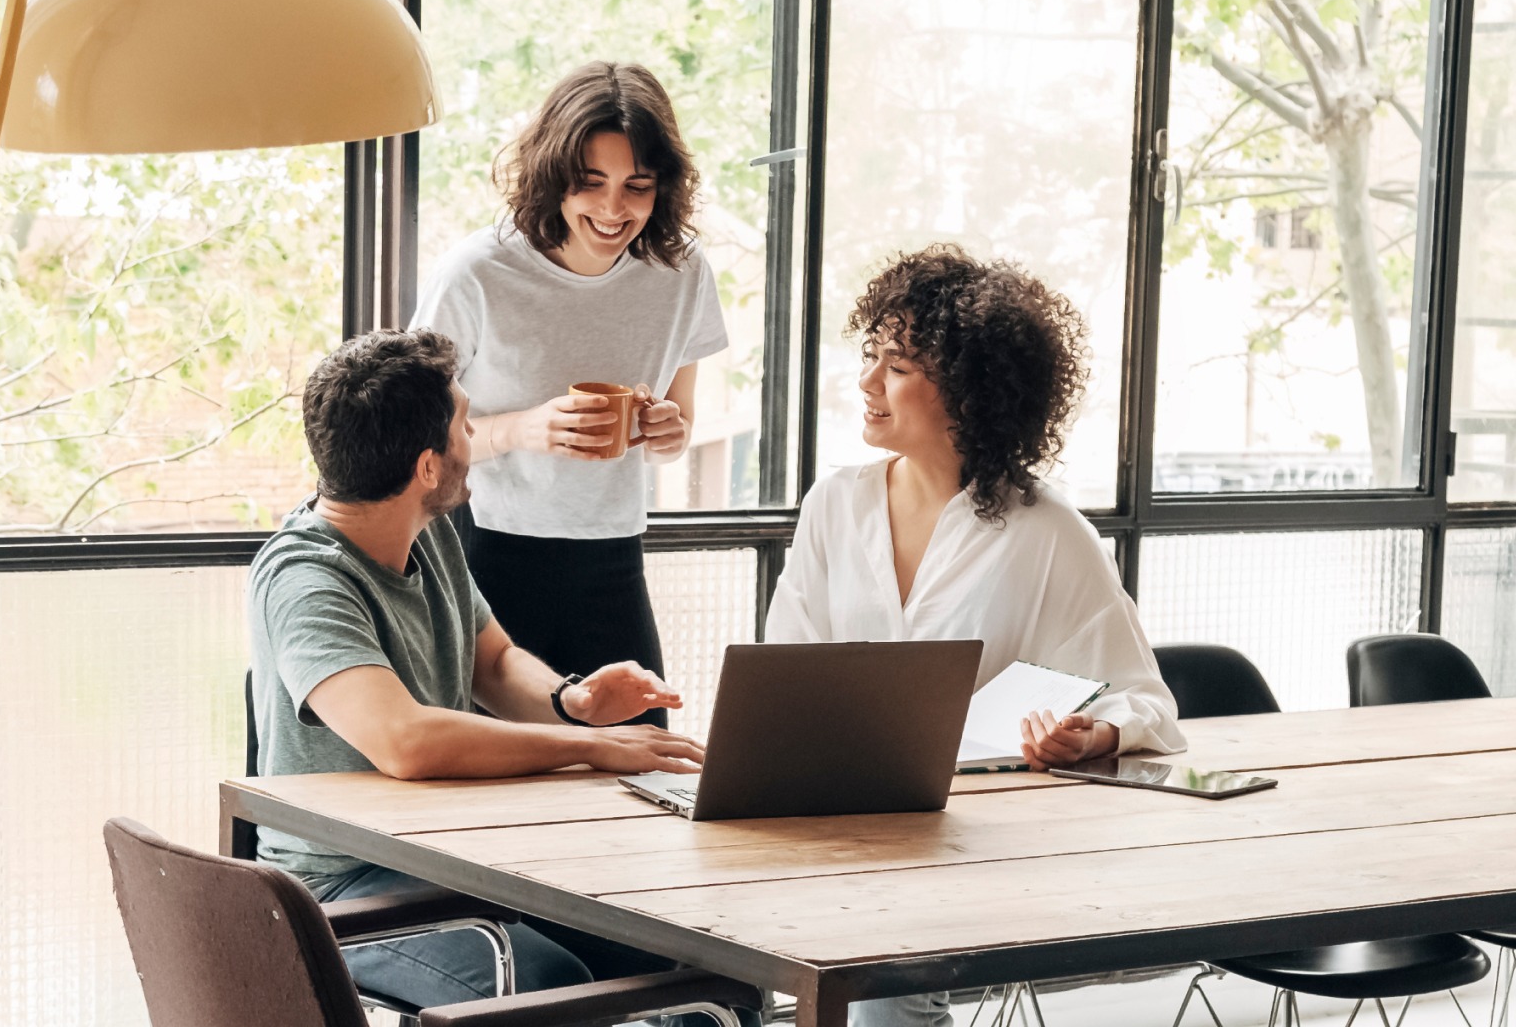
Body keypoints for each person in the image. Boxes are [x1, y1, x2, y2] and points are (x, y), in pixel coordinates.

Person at [762, 245, 1185, 1027]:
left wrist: (1092, 733)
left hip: (968, 849)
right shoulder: (835, 504)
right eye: (871, 358)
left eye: (894, 367)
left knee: (883, 980)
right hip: (824, 825)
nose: (865, 384)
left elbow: (1146, 702)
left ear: (967, 390)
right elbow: (783, 676)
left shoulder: (1047, 532)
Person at [248, 328, 708, 1008]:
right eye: (465, 423)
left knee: (685, 946)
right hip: (341, 889)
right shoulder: (306, 578)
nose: (475, 439)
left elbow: (490, 661)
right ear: (429, 466)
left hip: (453, 857)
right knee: (547, 987)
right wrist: (593, 744)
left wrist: (570, 700)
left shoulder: (425, 532)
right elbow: (405, 741)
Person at [410, 61, 728, 727]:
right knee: (491, 794)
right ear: (554, 175)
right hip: (486, 552)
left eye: (637, 186)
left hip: (613, 554)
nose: (614, 210)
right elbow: (416, 438)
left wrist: (668, 429)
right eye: (592, 184)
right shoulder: (477, 273)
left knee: (641, 770)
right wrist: (526, 429)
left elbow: (680, 426)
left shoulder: (681, 272)